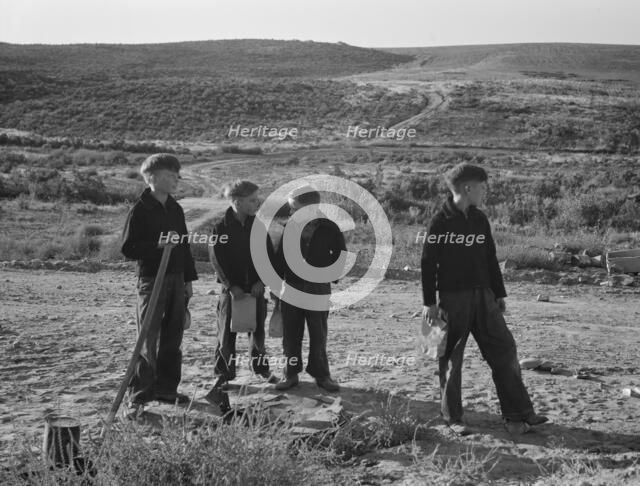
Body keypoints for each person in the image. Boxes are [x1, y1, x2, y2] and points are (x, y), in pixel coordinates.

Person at [420, 163, 548, 435]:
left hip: (484, 297)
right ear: (468, 188)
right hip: (453, 300)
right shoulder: (440, 221)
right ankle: (453, 419)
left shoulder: (479, 219)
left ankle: (518, 414)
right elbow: (428, 263)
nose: (484, 193)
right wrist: (429, 303)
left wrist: (498, 293)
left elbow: (490, 258)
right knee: (450, 359)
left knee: (504, 350)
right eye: (482, 187)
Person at [121, 153, 197, 417]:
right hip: (152, 278)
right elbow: (128, 248)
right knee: (147, 338)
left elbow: (184, 246)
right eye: (168, 175)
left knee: (173, 335)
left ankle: (167, 389)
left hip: (176, 277)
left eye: (176, 175)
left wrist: (189, 279)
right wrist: (157, 246)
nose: (174, 180)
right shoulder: (140, 209)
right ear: (151, 177)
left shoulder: (175, 208)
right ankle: (139, 396)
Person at [205, 180, 278, 402]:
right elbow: (217, 260)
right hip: (231, 293)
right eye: (252, 200)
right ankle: (223, 376)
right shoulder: (220, 228)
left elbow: (267, 258)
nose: (257, 203)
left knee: (257, 333)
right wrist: (231, 286)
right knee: (226, 335)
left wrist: (261, 282)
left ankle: (262, 370)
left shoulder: (259, 227)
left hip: (255, 290)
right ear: (237, 201)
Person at [274, 186, 346, 393]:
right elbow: (279, 258)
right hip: (291, 286)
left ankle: (322, 375)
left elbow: (341, 254)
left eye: (294, 208)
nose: (291, 212)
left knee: (318, 332)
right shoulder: (289, 227)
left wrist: (330, 276)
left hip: (318, 288)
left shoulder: (330, 227)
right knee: (291, 333)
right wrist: (276, 285)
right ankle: (290, 374)